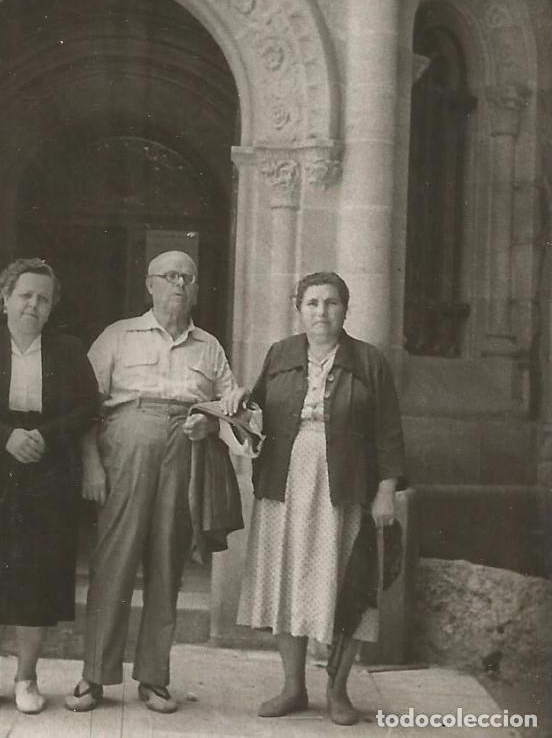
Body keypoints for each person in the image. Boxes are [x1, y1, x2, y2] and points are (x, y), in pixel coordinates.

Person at [66, 250, 243, 715]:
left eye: (188, 277)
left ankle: (154, 678)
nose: (180, 284)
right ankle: (94, 675)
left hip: (184, 451)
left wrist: (211, 424)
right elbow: (84, 406)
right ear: (150, 284)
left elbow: (234, 408)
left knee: (167, 562)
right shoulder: (118, 336)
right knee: (114, 560)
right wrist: (91, 464)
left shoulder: (210, 346)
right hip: (126, 447)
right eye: (170, 276)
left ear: (197, 289)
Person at [237, 271, 406, 725]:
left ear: (345, 309)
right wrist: (240, 405)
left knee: (345, 583)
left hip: (345, 486)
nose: (321, 312)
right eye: (312, 303)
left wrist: (386, 490)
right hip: (285, 482)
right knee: (288, 579)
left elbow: (389, 432)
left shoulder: (369, 361)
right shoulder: (280, 354)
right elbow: (255, 413)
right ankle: (293, 686)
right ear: (299, 308)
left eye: (331, 303)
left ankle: (337, 691)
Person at [0, 258, 99, 715]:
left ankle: (27, 678)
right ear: (5, 298)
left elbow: (88, 408)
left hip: (46, 470)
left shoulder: (69, 351)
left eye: (43, 299)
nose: (34, 304)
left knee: (38, 573)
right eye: (25, 295)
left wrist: (45, 437)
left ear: (52, 308)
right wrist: (6, 437)